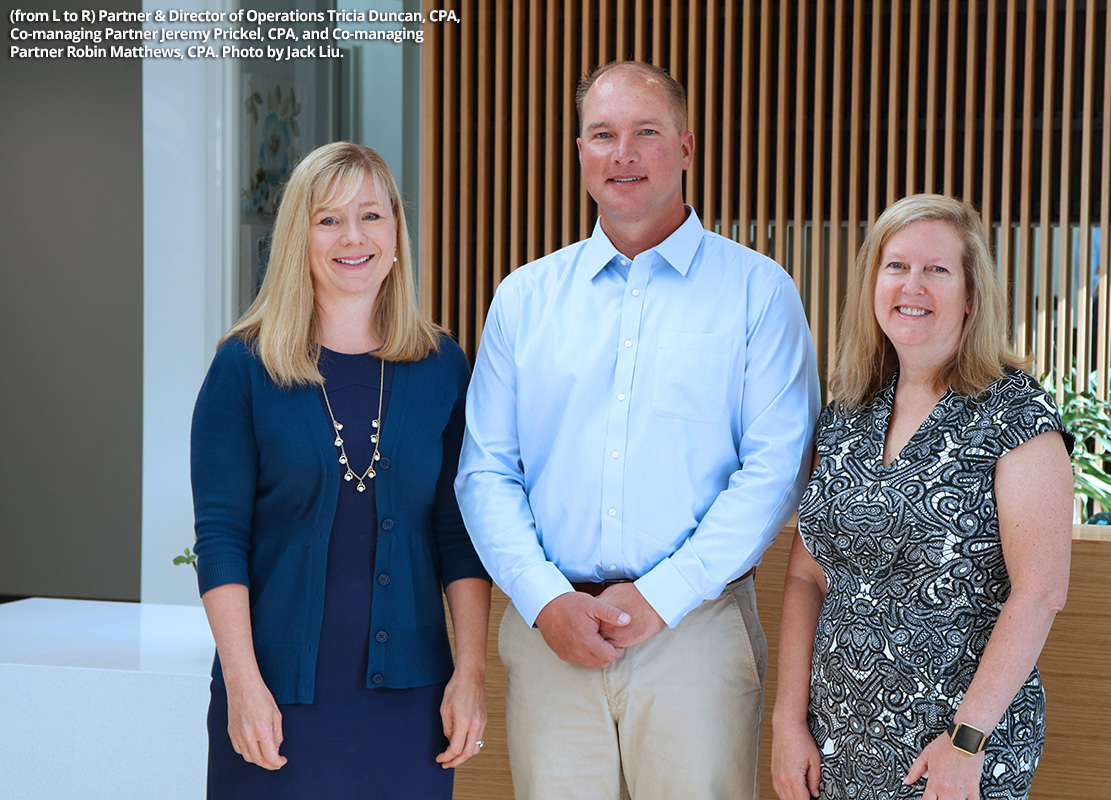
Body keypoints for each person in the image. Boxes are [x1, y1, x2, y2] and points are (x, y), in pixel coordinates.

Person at [455, 61, 821, 800]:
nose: (623, 153)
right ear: (581, 151)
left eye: (645, 133)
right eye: (603, 134)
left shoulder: (757, 292)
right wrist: (541, 597)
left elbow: (777, 472)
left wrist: (663, 593)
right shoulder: (524, 299)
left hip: (695, 630)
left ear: (685, 148)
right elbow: (485, 471)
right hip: (551, 632)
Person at [191, 141, 491, 799]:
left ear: (396, 233)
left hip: (412, 703)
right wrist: (242, 685)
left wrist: (469, 675)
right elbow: (220, 541)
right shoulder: (242, 369)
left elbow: (459, 537)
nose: (352, 237)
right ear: (300, 235)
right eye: (328, 219)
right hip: (273, 698)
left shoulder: (442, 365)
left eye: (371, 216)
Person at [771, 194, 1074, 800]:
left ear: (970, 294)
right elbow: (808, 574)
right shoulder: (848, 411)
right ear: (873, 285)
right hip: (838, 743)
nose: (914, 284)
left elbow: (1040, 593)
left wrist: (967, 739)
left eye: (937, 269)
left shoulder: (1015, 413)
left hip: (953, 752)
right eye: (896, 266)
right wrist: (787, 719)